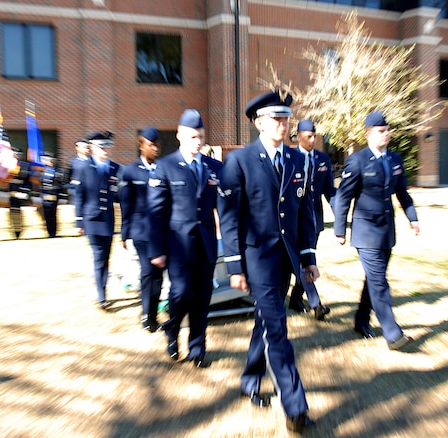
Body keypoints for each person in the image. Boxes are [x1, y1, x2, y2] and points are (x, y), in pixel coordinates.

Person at [218, 91, 319, 433]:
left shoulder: (294, 160)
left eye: (286, 118)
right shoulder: (240, 161)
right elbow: (229, 218)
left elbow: (304, 211)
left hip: (287, 260)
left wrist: (308, 256)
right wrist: (234, 266)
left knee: (265, 319)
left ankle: (249, 379)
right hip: (257, 258)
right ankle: (295, 406)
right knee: (278, 329)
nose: (283, 123)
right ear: (259, 122)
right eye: (276, 118)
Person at [333, 111, 419, 350]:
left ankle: (361, 321)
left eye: (387, 130)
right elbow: (344, 197)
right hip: (365, 231)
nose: (386, 134)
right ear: (368, 134)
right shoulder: (357, 161)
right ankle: (393, 334)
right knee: (379, 282)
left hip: (386, 231)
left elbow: (402, 192)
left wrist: (413, 218)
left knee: (373, 279)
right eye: (381, 131)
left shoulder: (395, 160)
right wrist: (340, 230)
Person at [149, 110, 223, 368]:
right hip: (177, 245)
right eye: (193, 136)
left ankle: (197, 348)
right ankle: (172, 329)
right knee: (180, 293)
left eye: (201, 136)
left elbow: (228, 203)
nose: (198, 141)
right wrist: (156, 249)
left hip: (206, 244)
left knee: (202, 297)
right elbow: (155, 213)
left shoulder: (215, 168)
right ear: (180, 135)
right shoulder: (165, 167)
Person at [288, 119, 334, 321]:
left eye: (315, 136)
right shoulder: (291, 157)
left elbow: (330, 190)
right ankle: (316, 303)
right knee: (301, 263)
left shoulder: (322, 159)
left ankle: (296, 298)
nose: (313, 139)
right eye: (309, 136)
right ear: (299, 137)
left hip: (313, 220)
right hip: (294, 220)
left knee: (308, 260)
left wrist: (340, 212)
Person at [119, 126, 164, 332]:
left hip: (162, 231)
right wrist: (125, 232)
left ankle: (152, 312)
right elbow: (125, 205)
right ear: (141, 146)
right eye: (151, 145)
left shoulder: (164, 168)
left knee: (158, 274)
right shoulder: (130, 171)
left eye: (157, 145)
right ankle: (147, 314)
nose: (155, 149)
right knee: (148, 271)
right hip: (141, 230)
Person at [75, 131, 122, 310]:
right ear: (92, 148)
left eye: (107, 147)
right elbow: (79, 196)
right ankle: (101, 295)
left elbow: (118, 193)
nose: (105, 150)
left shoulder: (114, 168)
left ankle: (103, 290)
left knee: (106, 257)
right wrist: (79, 221)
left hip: (108, 219)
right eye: (101, 147)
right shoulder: (84, 167)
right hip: (92, 218)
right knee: (99, 256)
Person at [8, 147, 31, 239]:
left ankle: (20, 230)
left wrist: (25, 192)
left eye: (18, 154)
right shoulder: (7, 165)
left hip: (21, 191)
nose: (16, 156)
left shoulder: (25, 166)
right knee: (13, 212)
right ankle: (15, 231)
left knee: (21, 212)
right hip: (10, 192)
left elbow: (28, 180)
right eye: (14, 154)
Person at [39, 152, 64, 238]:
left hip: (53, 195)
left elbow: (60, 185)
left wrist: (61, 196)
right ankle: (49, 232)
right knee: (46, 215)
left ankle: (53, 233)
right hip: (45, 195)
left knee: (53, 215)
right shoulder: (42, 170)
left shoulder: (58, 171)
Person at [67, 138, 89, 204]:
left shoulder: (91, 161)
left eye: (88, 147)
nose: (87, 149)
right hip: (76, 191)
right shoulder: (73, 161)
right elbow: (68, 176)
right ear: (77, 147)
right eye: (85, 147)